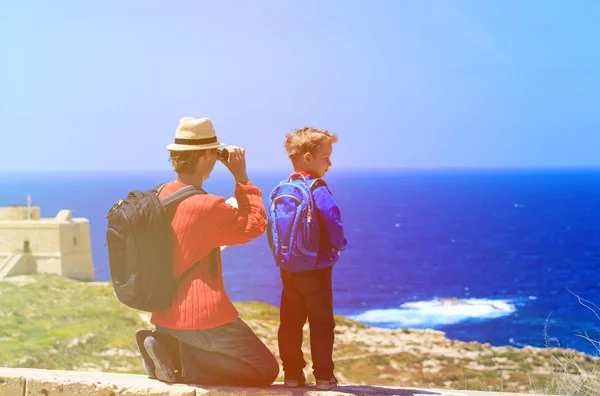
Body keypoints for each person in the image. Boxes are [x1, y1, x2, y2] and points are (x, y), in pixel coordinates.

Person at [135, 117, 279, 386]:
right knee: (265, 370)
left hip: (164, 313)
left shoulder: (159, 196)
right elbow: (254, 225)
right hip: (202, 318)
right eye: (214, 152)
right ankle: (181, 361)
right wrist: (242, 178)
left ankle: (166, 343)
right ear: (206, 157)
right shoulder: (206, 206)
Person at [270, 127, 347, 390]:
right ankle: (324, 376)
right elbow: (333, 223)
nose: (329, 162)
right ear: (307, 157)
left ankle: (292, 375)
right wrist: (339, 246)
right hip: (317, 269)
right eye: (325, 157)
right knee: (321, 323)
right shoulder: (318, 189)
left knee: (290, 323)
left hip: (289, 269)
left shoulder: (283, 189)